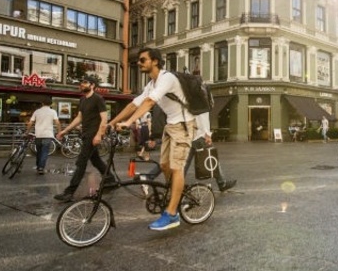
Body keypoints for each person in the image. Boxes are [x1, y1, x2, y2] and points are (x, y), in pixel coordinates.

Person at [109, 48, 198, 230]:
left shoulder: (167, 78)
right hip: (170, 125)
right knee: (164, 166)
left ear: (155, 61)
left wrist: (129, 123)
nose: (139, 63)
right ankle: (178, 192)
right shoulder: (151, 84)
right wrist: (111, 123)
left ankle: (172, 214)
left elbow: (149, 102)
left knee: (176, 167)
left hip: (183, 124)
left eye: (143, 60)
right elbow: (134, 104)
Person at [54, 76, 110, 202]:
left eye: (85, 82)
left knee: (81, 162)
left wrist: (99, 135)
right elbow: (79, 118)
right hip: (85, 134)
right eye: (81, 82)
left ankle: (69, 192)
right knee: (96, 161)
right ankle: (111, 179)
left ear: (92, 85)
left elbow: (104, 118)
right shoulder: (83, 100)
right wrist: (65, 130)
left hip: (92, 135)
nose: (82, 84)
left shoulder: (98, 99)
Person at [183, 111, 237, 192]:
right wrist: (207, 134)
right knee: (213, 159)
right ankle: (222, 183)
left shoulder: (192, 100)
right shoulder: (202, 100)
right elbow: (202, 117)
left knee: (184, 163)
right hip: (201, 136)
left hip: (191, 135)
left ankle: (176, 183)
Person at [26, 96, 60, 175]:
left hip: (38, 134)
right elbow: (57, 122)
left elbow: (31, 122)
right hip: (48, 135)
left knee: (39, 152)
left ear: (42, 103)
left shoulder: (37, 111)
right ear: (51, 104)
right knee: (45, 152)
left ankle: (39, 166)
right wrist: (59, 132)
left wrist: (27, 131)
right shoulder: (53, 112)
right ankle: (41, 167)